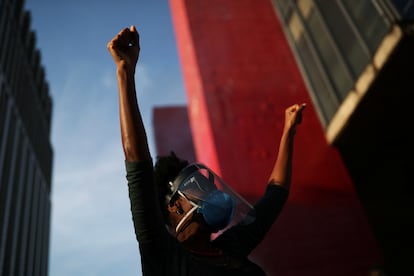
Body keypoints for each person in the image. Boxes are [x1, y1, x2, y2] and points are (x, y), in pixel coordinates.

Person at [107, 25, 306, 276]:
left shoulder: (231, 247)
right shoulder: (163, 257)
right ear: (175, 206)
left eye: (209, 186)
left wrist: (288, 132)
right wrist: (124, 72)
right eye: (199, 187)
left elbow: (275, 195)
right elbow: (137, 160)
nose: (212, 191)